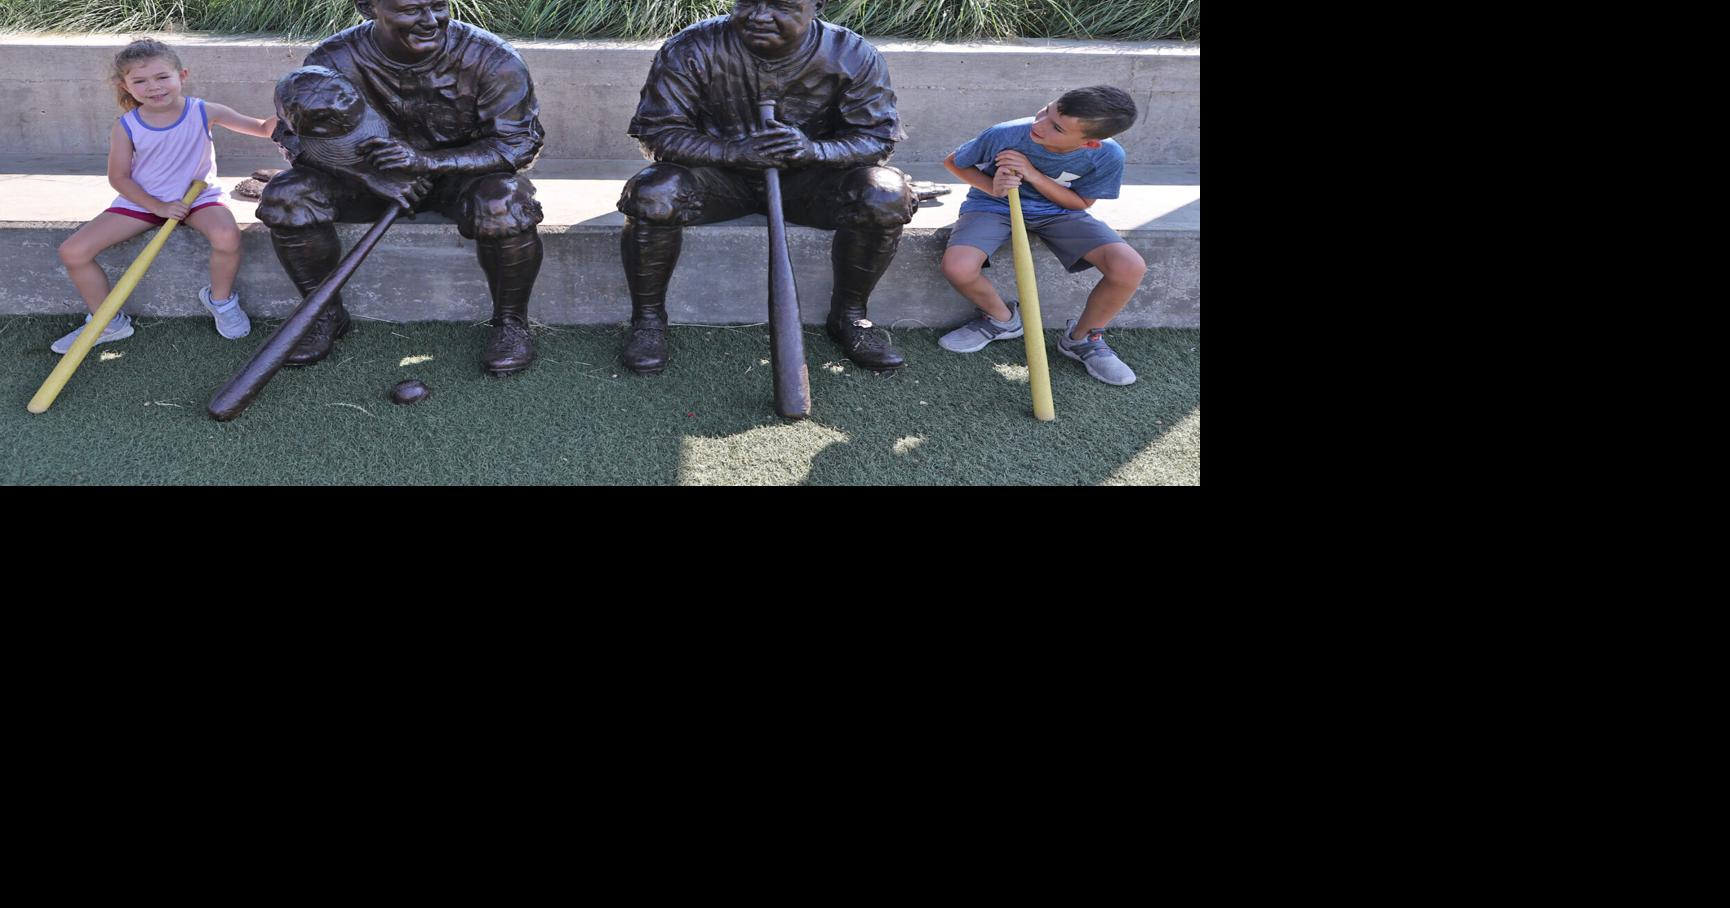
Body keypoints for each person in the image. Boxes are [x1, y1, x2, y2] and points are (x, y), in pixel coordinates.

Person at [617, 0, 918, 375]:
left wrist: (814, 150)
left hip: (810, 181)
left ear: (816, 5)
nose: (759, 16)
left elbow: (876, 139)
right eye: (747, 2)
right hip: (718, 178)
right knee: (652, 192)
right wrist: (733, 151)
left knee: (885, 193)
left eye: (780, 5)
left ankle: (850, 317)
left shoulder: (851, 53)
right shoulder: (691, 47)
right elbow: (658, 132)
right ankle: (647, 321)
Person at [257, 0, 546, 375]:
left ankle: (511, 324)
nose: (430, 21)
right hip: (368, 178)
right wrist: (367, 176)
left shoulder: (492, 60)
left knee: (505, 201)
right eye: (410, 10)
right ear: (368, 8)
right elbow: (294, 136)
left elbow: (517, 144)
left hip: (461, 178)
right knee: (287, 195)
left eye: (438, 5)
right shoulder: (332, 59)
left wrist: (429, 162)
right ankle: (324, 315)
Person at [51, 38, 277, 354]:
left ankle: (221, 300)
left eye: (162, 77)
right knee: (72, 252)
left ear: (181, 75)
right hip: (142, 201)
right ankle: (108, 322)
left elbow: (264, 128)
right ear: (125, 85)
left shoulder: (204, 111)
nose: (153, 87)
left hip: (197, 198)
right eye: (140, 81)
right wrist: (156, 206)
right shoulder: (127, 126)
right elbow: (119, 178)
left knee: (227, 236)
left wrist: (294, 111)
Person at [937, 86, 1148, 385]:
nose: (1038, 125)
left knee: (1129, 266)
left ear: (1089, 144)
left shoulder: (1108, 157)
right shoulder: (1006, 134)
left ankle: (1082, 339)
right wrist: (992, 186)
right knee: (957, 268)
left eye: (1056, 127)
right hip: (993, 206)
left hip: (1060, 213)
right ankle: (1002, 319)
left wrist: (1032, 173)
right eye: (1045, 111)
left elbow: (1081, 203)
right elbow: (954, 162)